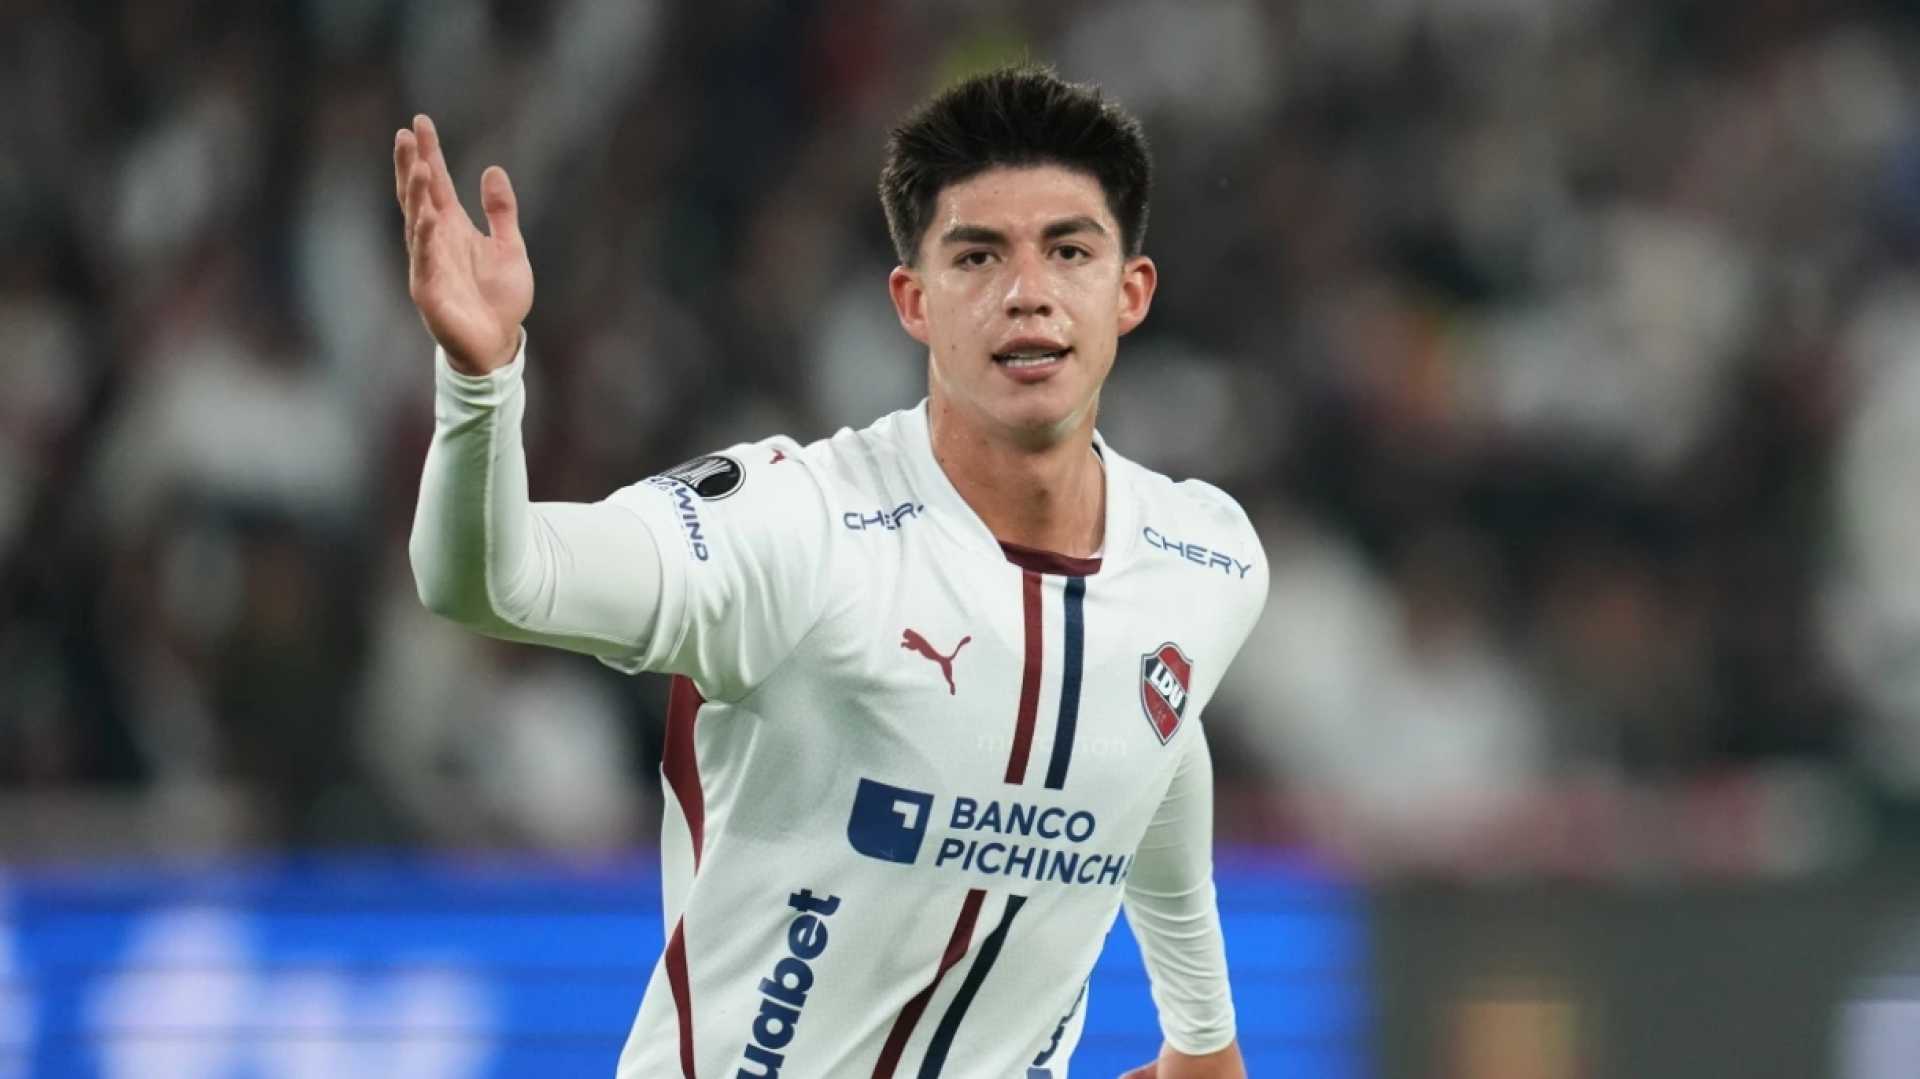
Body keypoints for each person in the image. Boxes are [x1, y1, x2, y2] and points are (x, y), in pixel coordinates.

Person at [397, 65, 1264, 1079]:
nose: (1027, 292)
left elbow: (1157, 738)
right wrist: (480, 383)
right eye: (977, 256)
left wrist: (1203, 1033)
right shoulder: (797, 527)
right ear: (914, 301)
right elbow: (492, 580)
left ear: (1130, 292)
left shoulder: (1205, 558)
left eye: (1068, 250)